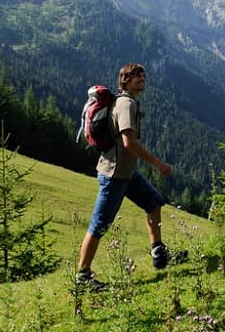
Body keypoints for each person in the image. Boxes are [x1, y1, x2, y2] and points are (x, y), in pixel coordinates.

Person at [76, 63, 183, 290]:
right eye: (135, 76)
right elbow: (129, 142)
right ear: (124, 81)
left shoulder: (127, 101)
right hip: (114, 175)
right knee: (99, 225)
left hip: (126, 173)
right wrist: (158, 164)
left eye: (143, 75)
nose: (141, 79)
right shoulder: (125, 104)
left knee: (154, 202)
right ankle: (83, 277)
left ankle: (159, 255)